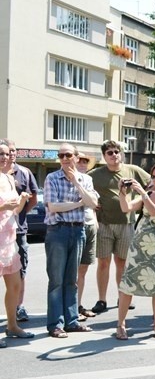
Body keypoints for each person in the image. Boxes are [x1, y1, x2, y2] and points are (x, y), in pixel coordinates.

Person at [116, 162, 155, 340]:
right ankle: (120, 324)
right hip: (139, 246)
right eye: (153, 176)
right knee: (128, 285)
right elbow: (126, 208)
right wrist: (123, 192)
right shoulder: (149, 194)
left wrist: (143, 194)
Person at [88, 139, 150, 315]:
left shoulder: (132, 170)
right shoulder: (95, 174)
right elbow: (83, 187)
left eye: (117, 152)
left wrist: (139, 200)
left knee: (122, 262)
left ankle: (122, 296)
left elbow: (152, 184)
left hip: (126, 224)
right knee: (103, 263)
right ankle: (102, 299)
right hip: (104, 224)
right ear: (104, 156)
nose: (114, 155)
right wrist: (93, 203)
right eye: (110, 153)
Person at [44, 143, 98, 338]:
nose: (65, 158)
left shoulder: (85, 179)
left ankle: (72, 321)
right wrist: (78, 203)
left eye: (68, 155)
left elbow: (93, 204)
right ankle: (55, 324)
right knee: (57, 280)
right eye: (61, 155)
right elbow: (53, 207)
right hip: (58, 231)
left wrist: (77, 183)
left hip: (78, 231)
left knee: (72, 281)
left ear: (76, 157)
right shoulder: (52, 178)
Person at [0, 141, 34, 346]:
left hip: (8, 240)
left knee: (14, 285)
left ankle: (12, 325)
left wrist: (21, 199)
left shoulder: (8, 178)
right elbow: (5, 207)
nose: (4, 157)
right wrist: (4, 205)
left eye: (6, 153)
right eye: (0, 154)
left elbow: (14, 211)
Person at [75, 151, 98, 321]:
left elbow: (93, 203)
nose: (82, 163)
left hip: (90, 224)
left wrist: (95, 221)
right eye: (79, 160)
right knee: (73, 271)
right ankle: (72, 307)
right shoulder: (70, 179)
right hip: (77, 225)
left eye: (85, 161)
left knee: (83, 269)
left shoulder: (89, 179)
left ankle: (78, 304)